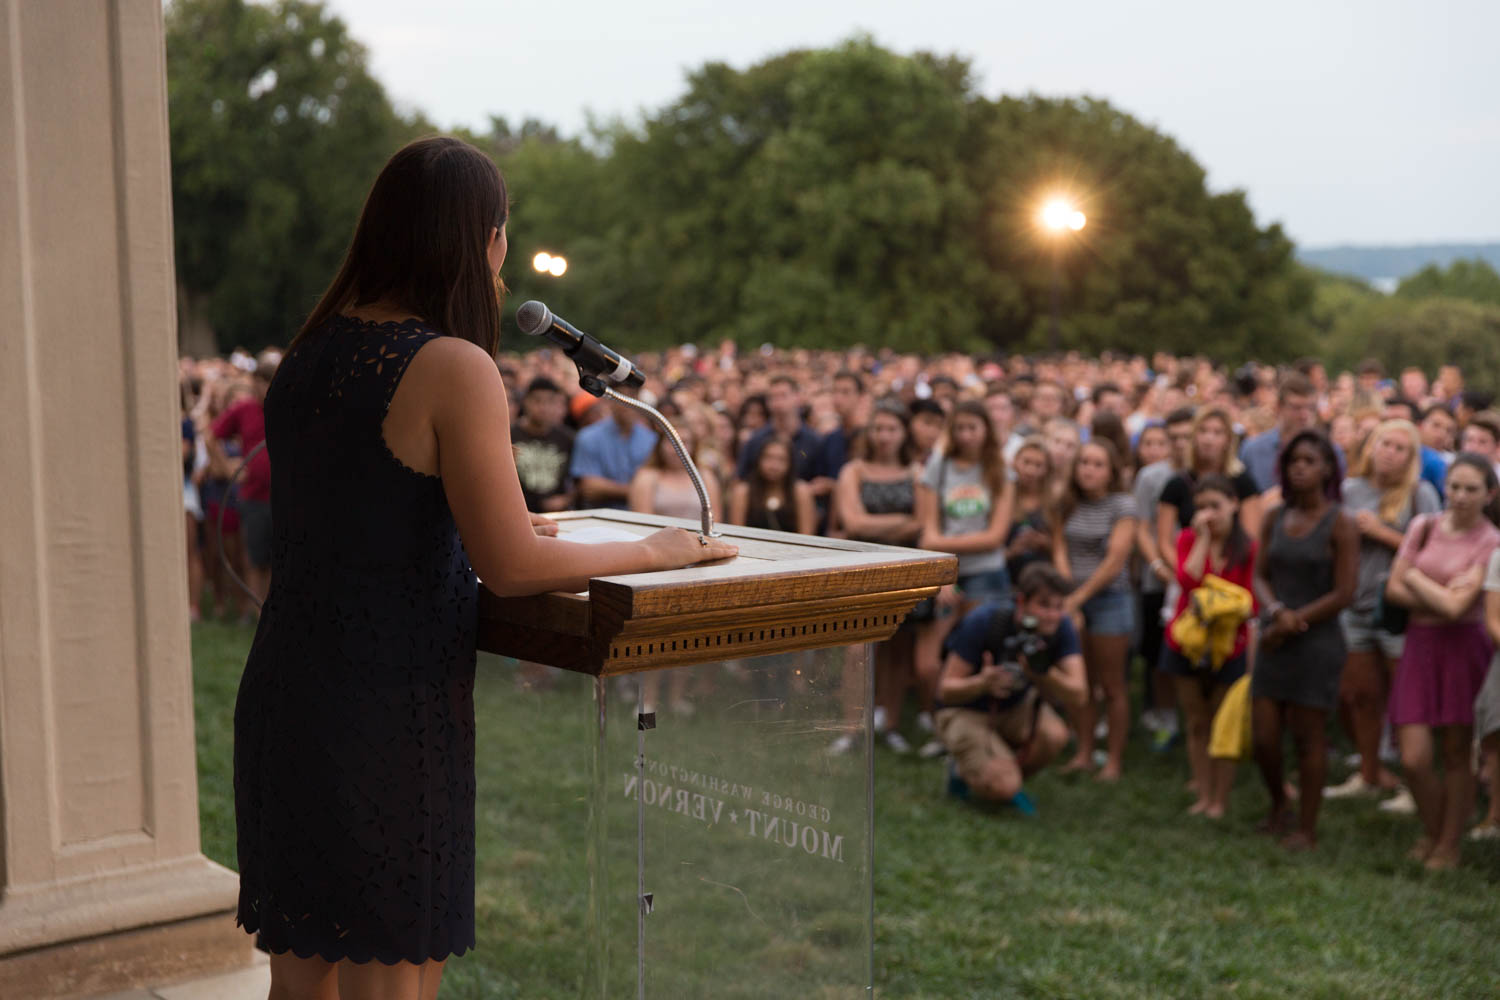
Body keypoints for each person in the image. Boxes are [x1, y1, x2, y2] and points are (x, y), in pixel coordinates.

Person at [232, 136, 736, 1000]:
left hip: (290, 690)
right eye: (501, 233)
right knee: (390, 988)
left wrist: (488, 518)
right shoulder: (451, 365)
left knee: (300, 986)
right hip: (387, 711)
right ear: (480, 239)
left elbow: (368, 514)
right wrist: (655, 548)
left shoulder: (308, 353)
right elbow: (506, 567)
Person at [1384, 454, 1500, 869]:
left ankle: (1448, 842)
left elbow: (1456, 608)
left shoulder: (1491, 542)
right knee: (1413, 756)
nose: (1461, 496)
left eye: (1472, 489)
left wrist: (1414, 575)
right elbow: (1392, 590)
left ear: (1489, 495)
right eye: (1455, 487)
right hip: (1419, 643)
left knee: (1455, 751)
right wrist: (1434, 590)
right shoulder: (1424, 525)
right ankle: (1433, 829)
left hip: (1463, 647)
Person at [1250, 430, 1358, 851]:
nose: (1300, 467)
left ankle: (1306, 828)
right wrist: (1276, 612)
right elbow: (1260, 574)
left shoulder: (1340, 522)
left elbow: (1345, 591)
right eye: (1293, 460)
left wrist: (1296, 620)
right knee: (1263, 736)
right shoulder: (1275, 516)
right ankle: (1279, 803)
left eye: (1309, 460)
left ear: (1327, 468)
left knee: (1308, 737)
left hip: (1317, 641)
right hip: (1274, 636)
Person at [1326, 419, 1440, 801]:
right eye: (1384, 444)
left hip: (1399, 610)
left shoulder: (1420, 494)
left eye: (1399, 448)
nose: (1389, 453)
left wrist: (1380, 532)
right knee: (1360, 694)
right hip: (1354, 606)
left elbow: (1435, 554)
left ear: (1410, 457)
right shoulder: (1349, 489)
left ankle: (1414, 783)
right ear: (1371, 447)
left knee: (1406, 696)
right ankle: (1369, 773)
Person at [936, 564, 1087, 808]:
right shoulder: (985, 620)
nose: (1052, 615)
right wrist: (982, 683)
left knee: (1055, 735)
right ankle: (968, 772)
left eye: (1059, 606)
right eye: (1044, 605)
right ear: (1021, 601)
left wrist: (1043, 672)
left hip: (1015, 705)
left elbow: (1079, 694)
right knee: (1004, 785)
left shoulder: (1061, 626)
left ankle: (1003, 775)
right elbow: (945, 691)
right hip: (964, 710)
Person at [1160, 476, 1257, 818]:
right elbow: (1187, 580)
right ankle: (1202, 793)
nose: (1208, 514)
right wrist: (1201, 539)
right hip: (1185, 642)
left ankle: (1220, 798)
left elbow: (1249, 602)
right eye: (1200, 507)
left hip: (1229, 647)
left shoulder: (1249, 548)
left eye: (1215, 506)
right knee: (1197, 722)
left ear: (1234, 504)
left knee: (1222, 723)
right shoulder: (1188, 538)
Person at [835, 401, 924, 752]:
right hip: (861, 567)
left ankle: (890, 723)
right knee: (856, 649)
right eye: (878, 428)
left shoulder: (917, 472)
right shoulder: (853, 471)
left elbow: (923, 522)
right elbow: (853, 522)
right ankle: (850, 727)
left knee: (896, 651)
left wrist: (888, 524)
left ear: (904, 433)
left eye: (892, 429)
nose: (884, 436)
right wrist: (900, 521)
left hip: (902, 568)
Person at [1052, 439, 1138, 781]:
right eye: (1084, 462)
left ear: (1111, 471)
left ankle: (1114, 760)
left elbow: (1116, 560)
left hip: (1110, 601)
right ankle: (1084, 753)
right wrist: (1068, 596)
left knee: (1113, 685)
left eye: (1098, 464)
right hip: (1070, 599)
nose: (1089, 469)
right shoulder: (1065, 503)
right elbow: (1059, 550)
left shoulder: (1123, 505)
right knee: (1080, 682)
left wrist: (1078, 598)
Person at [1134, 406, 1195, 749]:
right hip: (1159, 577)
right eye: (1175, 438)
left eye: (1188, 436)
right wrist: (1159, 565)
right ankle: (1165, 718)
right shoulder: (1150, 477)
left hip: (1198, 578)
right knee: (1159, 653)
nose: (1182, 444)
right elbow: (1142, 528)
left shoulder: (1206, 475)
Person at [211, 357, 278, 608]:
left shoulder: (287, 408)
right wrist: (226, 468)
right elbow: (211, 436)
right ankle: (257, 612)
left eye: (267, 383)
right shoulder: (244, 410)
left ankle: (276, 614)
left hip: (283, 496)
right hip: (253, 497)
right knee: (255, 558)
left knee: (279, 560)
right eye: (259, 384)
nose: (262, 390)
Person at [569, 384, 658, 510]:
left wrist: (609, 489)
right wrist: (638, 491)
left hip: (639, 516)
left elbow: (659, 486)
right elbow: (590, 489)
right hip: (599, 517)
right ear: (609, 400)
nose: (627, 402)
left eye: (632, 395)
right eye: (621, 396)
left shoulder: (651, 439)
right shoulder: (588, 436)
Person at [1240, 373, 1320, 493]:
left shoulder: (1329, 452)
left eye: (1310, 408)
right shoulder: (1253, 450)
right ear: (1278, 407)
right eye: (1296, 408)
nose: (1305, 415)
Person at [510, 376, 575, 513]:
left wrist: (566, 499)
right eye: (537, 401)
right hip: (520, 513)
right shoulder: (510, 435)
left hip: (557, 515)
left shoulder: (567, 438)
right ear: (525, 402)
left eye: (550, 401)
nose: (544, 407)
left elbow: (578, 482)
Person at [727, 435, 815, 534]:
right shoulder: (743, 492)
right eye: (768, 457)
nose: (774, 466)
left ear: (790, 463)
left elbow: (806, 535)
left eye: (781, 459)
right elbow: (737, 533)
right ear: (758, 460)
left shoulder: (800, 492)